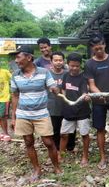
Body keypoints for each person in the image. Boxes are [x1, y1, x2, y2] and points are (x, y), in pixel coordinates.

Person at [10, 45, 62, 182]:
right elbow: (15, 96)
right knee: (28, 142)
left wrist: (55, 89)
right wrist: (14, 117)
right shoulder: (15, 75)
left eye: (18, 57)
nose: (16, 60)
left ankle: (56, 166)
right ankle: (37, 169)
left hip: (41, 114)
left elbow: (52, 86)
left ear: (28, 57)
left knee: (48, 142)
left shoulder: (44, 72)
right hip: (23, 114)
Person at [84, 34, 109, 170]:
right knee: (100, 129)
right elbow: (91, 84)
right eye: (96, 49)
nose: (99, 51)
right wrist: (102, 95)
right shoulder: (89, 64)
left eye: (101, 47)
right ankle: (102, 156)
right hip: (98, 101)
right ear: (92, 48)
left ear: (104, 45)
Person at [59, 53, 91, 167]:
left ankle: (85, 156)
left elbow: (84, 92)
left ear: (80, 65)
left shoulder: (83, 78)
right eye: (72, 66)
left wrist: (86, 97)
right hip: (69, 110)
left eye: (77, 66)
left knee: (84, 134)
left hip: (82, 111)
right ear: (68, 65)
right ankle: (60, 155)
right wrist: (65, 100)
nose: (74, 68)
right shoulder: (65, 76)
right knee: (64, 134)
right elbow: (63, 90)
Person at [48, 51, 76, 151]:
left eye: (60, 60)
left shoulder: (68, 74)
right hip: (53, 105)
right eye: (55, 60)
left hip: (67, 105)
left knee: (70, 127)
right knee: (55, 128)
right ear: (51, 61)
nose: (58, 62)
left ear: (64, 61)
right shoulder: (48, 74)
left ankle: (70, 146)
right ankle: (57, 147)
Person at [0, 66, 12, 141]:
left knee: (2, 116)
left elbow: (13, 78)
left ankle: (6, 133)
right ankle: (2, 133)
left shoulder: (5, 72)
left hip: (3, 98)